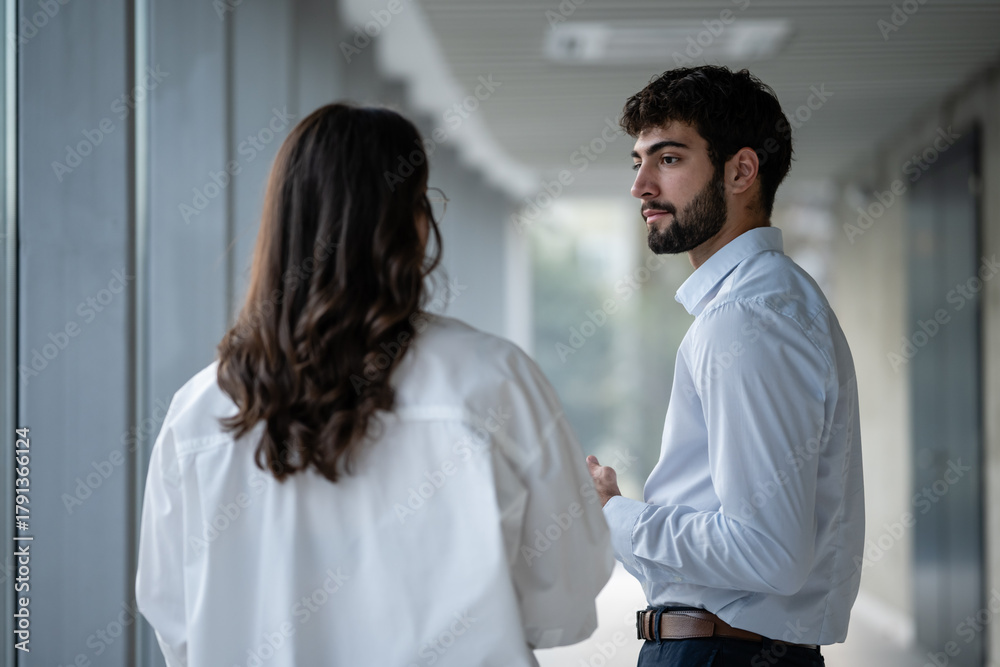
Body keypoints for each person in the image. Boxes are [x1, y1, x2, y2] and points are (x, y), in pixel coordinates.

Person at [135, 103, 614, 667]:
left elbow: (175, 617)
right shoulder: (493, 379)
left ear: (282, 225)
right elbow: (563, 605)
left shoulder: (201, 410)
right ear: (411, 225)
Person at [586, 66, 865, 667]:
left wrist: (617, 516)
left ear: (741, 170)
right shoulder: (760, 304)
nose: (640, 185)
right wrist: (617, 520)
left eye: (666, 159)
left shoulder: (751, 317)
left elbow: (768, 552)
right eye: (636, 161)